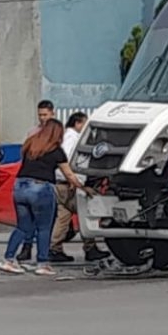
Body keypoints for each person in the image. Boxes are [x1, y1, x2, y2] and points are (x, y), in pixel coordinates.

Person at [0, 119, 85, 276]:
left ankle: (9, 259)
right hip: (41, 188)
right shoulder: (56, 150)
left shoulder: (31, 144)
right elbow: (68, 173)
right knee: (44, 227)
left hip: (20, 186)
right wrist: (81, 186)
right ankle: (42, 263)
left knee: (23, 226)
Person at [49, 112, 110, 263]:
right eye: (84, 124)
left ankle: (54, 248)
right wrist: (76, 182)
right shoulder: (72, 138)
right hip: (71, 183)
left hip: (61, 183)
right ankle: (90, 248)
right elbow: (68, 159)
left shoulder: (66, 137)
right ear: (77, 123)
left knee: (63, 217)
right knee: (87, 213)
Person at [18, 99, 57, 262]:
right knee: (29, 220)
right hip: (33, 180)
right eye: (40, 115)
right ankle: (27, 247)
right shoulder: (33, 132)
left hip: (49, 180)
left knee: (48, 220)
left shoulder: (56, 132)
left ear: (52, 113)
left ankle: (47, 251)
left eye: (45, 115)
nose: (43, 118)